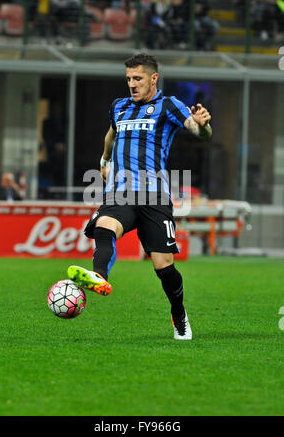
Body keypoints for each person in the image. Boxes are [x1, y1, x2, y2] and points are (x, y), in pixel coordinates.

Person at [67, 53, 212, 341]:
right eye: (129, 79)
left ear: (153, 78)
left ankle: (179, 314)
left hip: (155, 196)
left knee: (164, 267)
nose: (132, 84)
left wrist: (203, 124)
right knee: (104, 225)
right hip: (121, 191)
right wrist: (105, 160)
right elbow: (111, 134)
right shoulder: (119, 107)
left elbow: (198, 131)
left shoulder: (169, 105)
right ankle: (100, 277)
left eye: (138, 79)